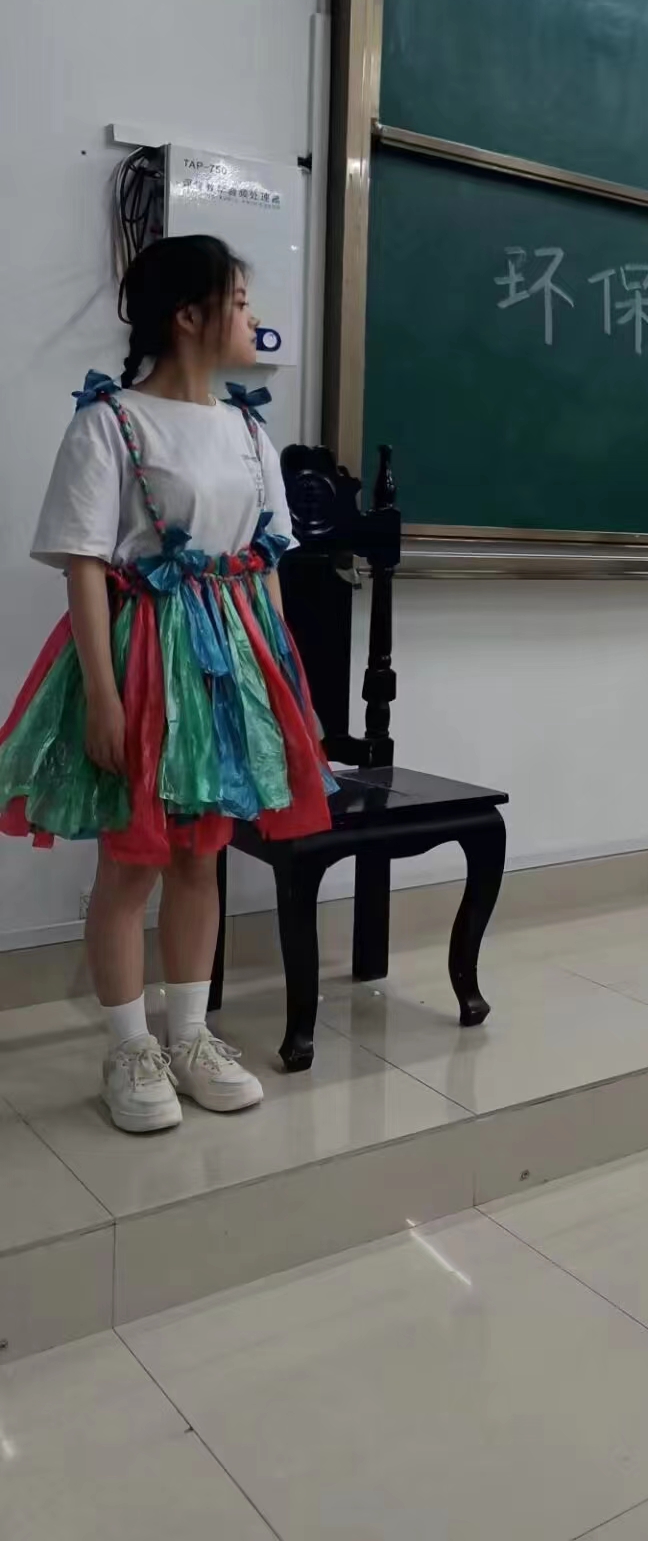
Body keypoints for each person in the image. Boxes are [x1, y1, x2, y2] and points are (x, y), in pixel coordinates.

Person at [0, 236, 334, 1132]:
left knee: (199, 853)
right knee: (130, 858)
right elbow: (83, 564)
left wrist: (285, 690)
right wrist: (104, 697)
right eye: (239, 302)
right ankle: (129, 1046)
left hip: (231, 668)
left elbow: (265, 567)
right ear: (189, 315)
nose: (253, 319)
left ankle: (189, 1036)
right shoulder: (110, 423)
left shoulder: (250, 430)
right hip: (145, 659)